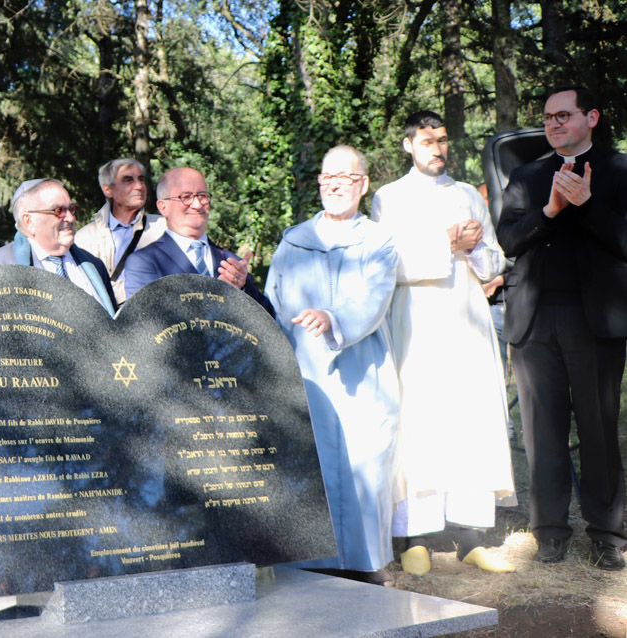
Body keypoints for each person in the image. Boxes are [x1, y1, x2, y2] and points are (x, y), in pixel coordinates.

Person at [371, 111, 515, 576]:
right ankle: (415, 536)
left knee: (469, 420)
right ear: (408, 145)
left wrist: (472, 249)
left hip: (467, 322)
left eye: (444, 139)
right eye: (428, 140)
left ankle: (471, 534)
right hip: (417, 323)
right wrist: (445, 245)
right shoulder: (388, 199)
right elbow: (385, 267)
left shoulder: (468, 194)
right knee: (421, 424)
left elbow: (494, 263)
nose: (438, 148)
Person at [497, 85, 627, 571]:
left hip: (596, 321)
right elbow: (508, 238)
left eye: (564, 115)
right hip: (534, 322)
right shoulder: (526, 175)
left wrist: (589, 204)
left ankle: (608, 535)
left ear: (590, 117)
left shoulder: (619, 170)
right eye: (548, 117)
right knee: (543, 435)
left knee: (597, 431)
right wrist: (550, 209)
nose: (553, 124)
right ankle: (550, 533)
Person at [264, 146, 398, 583]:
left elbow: (374, 299)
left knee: (364, 464)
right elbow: (274, 300)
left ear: (362, 184)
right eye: (327, 177)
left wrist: (332, 318)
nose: (335, 184)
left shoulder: (379, 240)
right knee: (309, 461)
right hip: (303, 373)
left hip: (362, 373)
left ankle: (364, 566)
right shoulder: (293, 240)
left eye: (345, 177)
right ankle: (308, 562)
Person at [124, 166, 272, 316]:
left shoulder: (231, 263)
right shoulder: (144, 262)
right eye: (186, 197)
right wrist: (220, 297)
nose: (198, 204)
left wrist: (243, 289)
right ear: (163, 207)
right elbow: (145, 322)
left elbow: (268, 321)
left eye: (202, 195)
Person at [0, 178, 117, 313]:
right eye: (59, 211)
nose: (71, 218)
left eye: (72, 209)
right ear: (28, 221)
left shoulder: (94, 265)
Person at [73, 158, 166, 301]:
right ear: (108, 189)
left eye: (141, 180)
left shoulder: (162, 227)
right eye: (128, 180)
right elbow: (83, 287)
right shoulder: (86, 237)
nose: (139, 186)